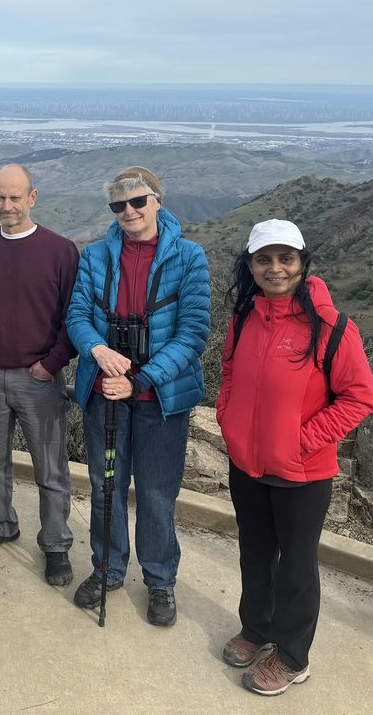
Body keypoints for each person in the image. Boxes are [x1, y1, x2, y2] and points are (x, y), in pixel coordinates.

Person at [216, 219, 373, 696]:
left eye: (286, 258)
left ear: (303, 263)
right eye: (264, 259)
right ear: (250, 265)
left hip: (302, 472)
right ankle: (257, 629)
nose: (275, 268)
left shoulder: (332, 327)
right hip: (248, 463)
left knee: (297, 567)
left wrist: (302, 440)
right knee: (255, 553)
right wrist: (227, 418)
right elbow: (228, 371)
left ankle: (292, 656)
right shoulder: (245, 316)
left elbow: (359, 397)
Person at [65, 166, 210, 625]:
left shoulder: (189, 257)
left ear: (157, 201)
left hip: (160, 400)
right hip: (104, 391)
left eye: (137, 202)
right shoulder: (95, 255)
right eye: (118, 205)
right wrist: (96, 348)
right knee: (106, 486)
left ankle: (160, 580)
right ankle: (107, 569)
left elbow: (193, 334)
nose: (128, 212)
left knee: (156, 495)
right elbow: (76, 315)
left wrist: (141, 379)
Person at [0, 164, 80, 586]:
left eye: (15, 197)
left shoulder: (61, 251)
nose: (7, 206)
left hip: (39, 379)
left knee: (51, 469)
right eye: (0, 198)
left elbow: (74, 319)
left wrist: (52, 364)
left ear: (33, 197)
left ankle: (57, 544)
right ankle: (1, 525)